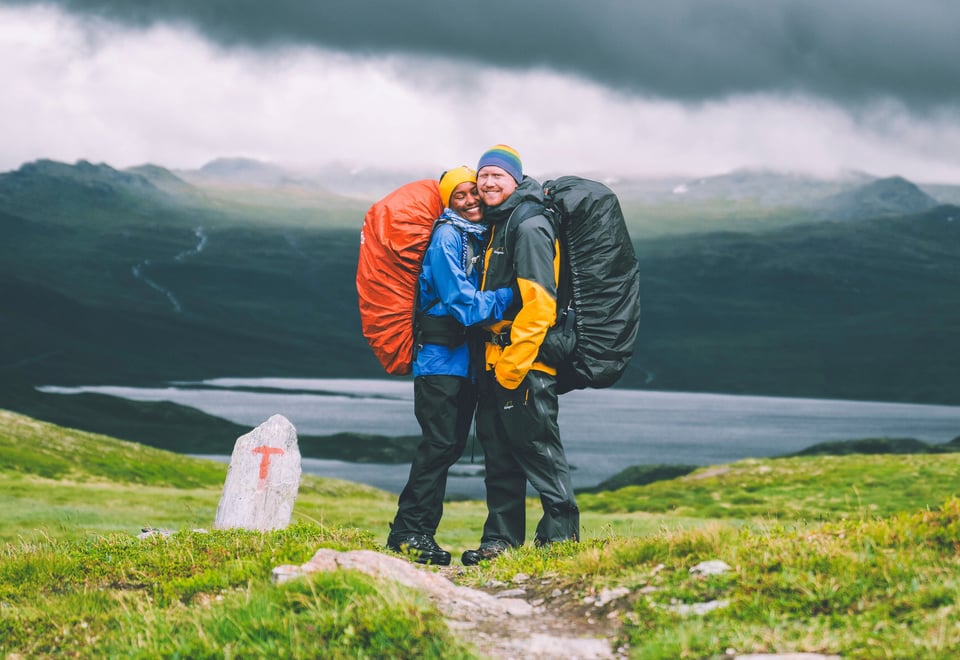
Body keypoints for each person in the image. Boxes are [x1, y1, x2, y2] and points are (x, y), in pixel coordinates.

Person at [386, 166, 514, 565]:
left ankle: (417, 533)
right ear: (447, 202)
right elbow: (463, 305)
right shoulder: (446, 237)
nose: (472, 200)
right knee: (439, 445)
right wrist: (515, 294)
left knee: (448, 445)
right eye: (459, 196)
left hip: (462, 364)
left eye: (473, 192)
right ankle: (409, 534)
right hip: (440, 361)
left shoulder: (476, 235)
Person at [461, 145, 580, 566]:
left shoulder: (528, 226)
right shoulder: (500, 222)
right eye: (483, 175)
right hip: (496, 364)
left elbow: (541, 303)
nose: (488, 183)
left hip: (525, 364)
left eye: (498, 176)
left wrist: (514, 363)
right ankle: (501, 543)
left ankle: (559, 544)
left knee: (539, 453)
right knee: (500, 457)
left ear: (516, 180)